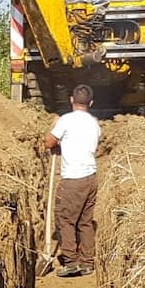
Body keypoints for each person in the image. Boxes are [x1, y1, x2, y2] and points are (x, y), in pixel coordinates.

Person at [44, 84, 101, 277]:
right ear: (90, 103)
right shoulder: (94, 123)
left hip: (73, 179)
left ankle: (71, 262)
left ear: (71, 100)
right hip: (91, 178)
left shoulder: (65, 120)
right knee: (85, 222)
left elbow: (48, 142)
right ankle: (87, 262)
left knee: (65, 220)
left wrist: (54, 127)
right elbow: (82, 143)